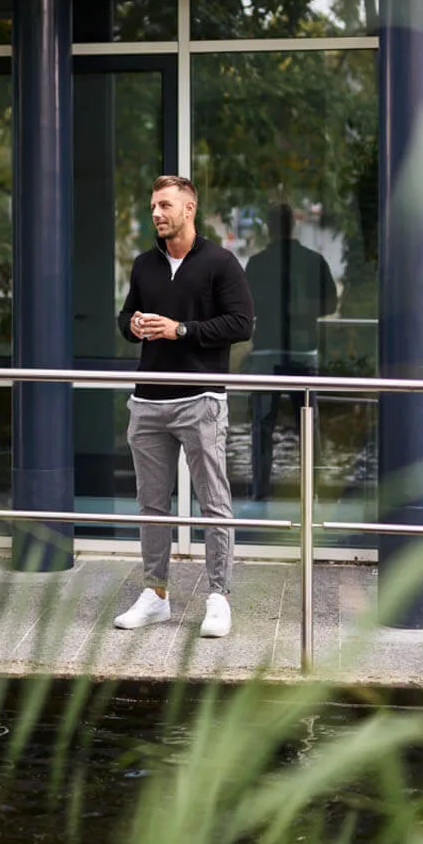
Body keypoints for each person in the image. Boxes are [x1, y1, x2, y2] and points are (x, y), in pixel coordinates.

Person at [114, 175, 254, 639]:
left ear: (189, 209)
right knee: (152, 505)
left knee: (214, 502)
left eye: (165, 205)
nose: (156, 213)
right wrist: (132, 324)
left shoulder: (220, 262)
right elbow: (125, 317)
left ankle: (219, 596)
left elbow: (241, 323)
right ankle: (155, 595)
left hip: (202, 400)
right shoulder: (143, 265)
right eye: (153, 205)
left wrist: (181, 331)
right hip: (148, 402)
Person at [245, 203, 337, 500]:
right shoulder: (313, 260)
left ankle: (260, 492)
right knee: (308, 422)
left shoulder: (257, 264)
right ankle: (313, 492)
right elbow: (331, 305)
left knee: (262, 426)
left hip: (265, 353)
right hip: (303, 350)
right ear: (292, 226)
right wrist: (303, 310)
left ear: (270, 228)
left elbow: (248, 307)